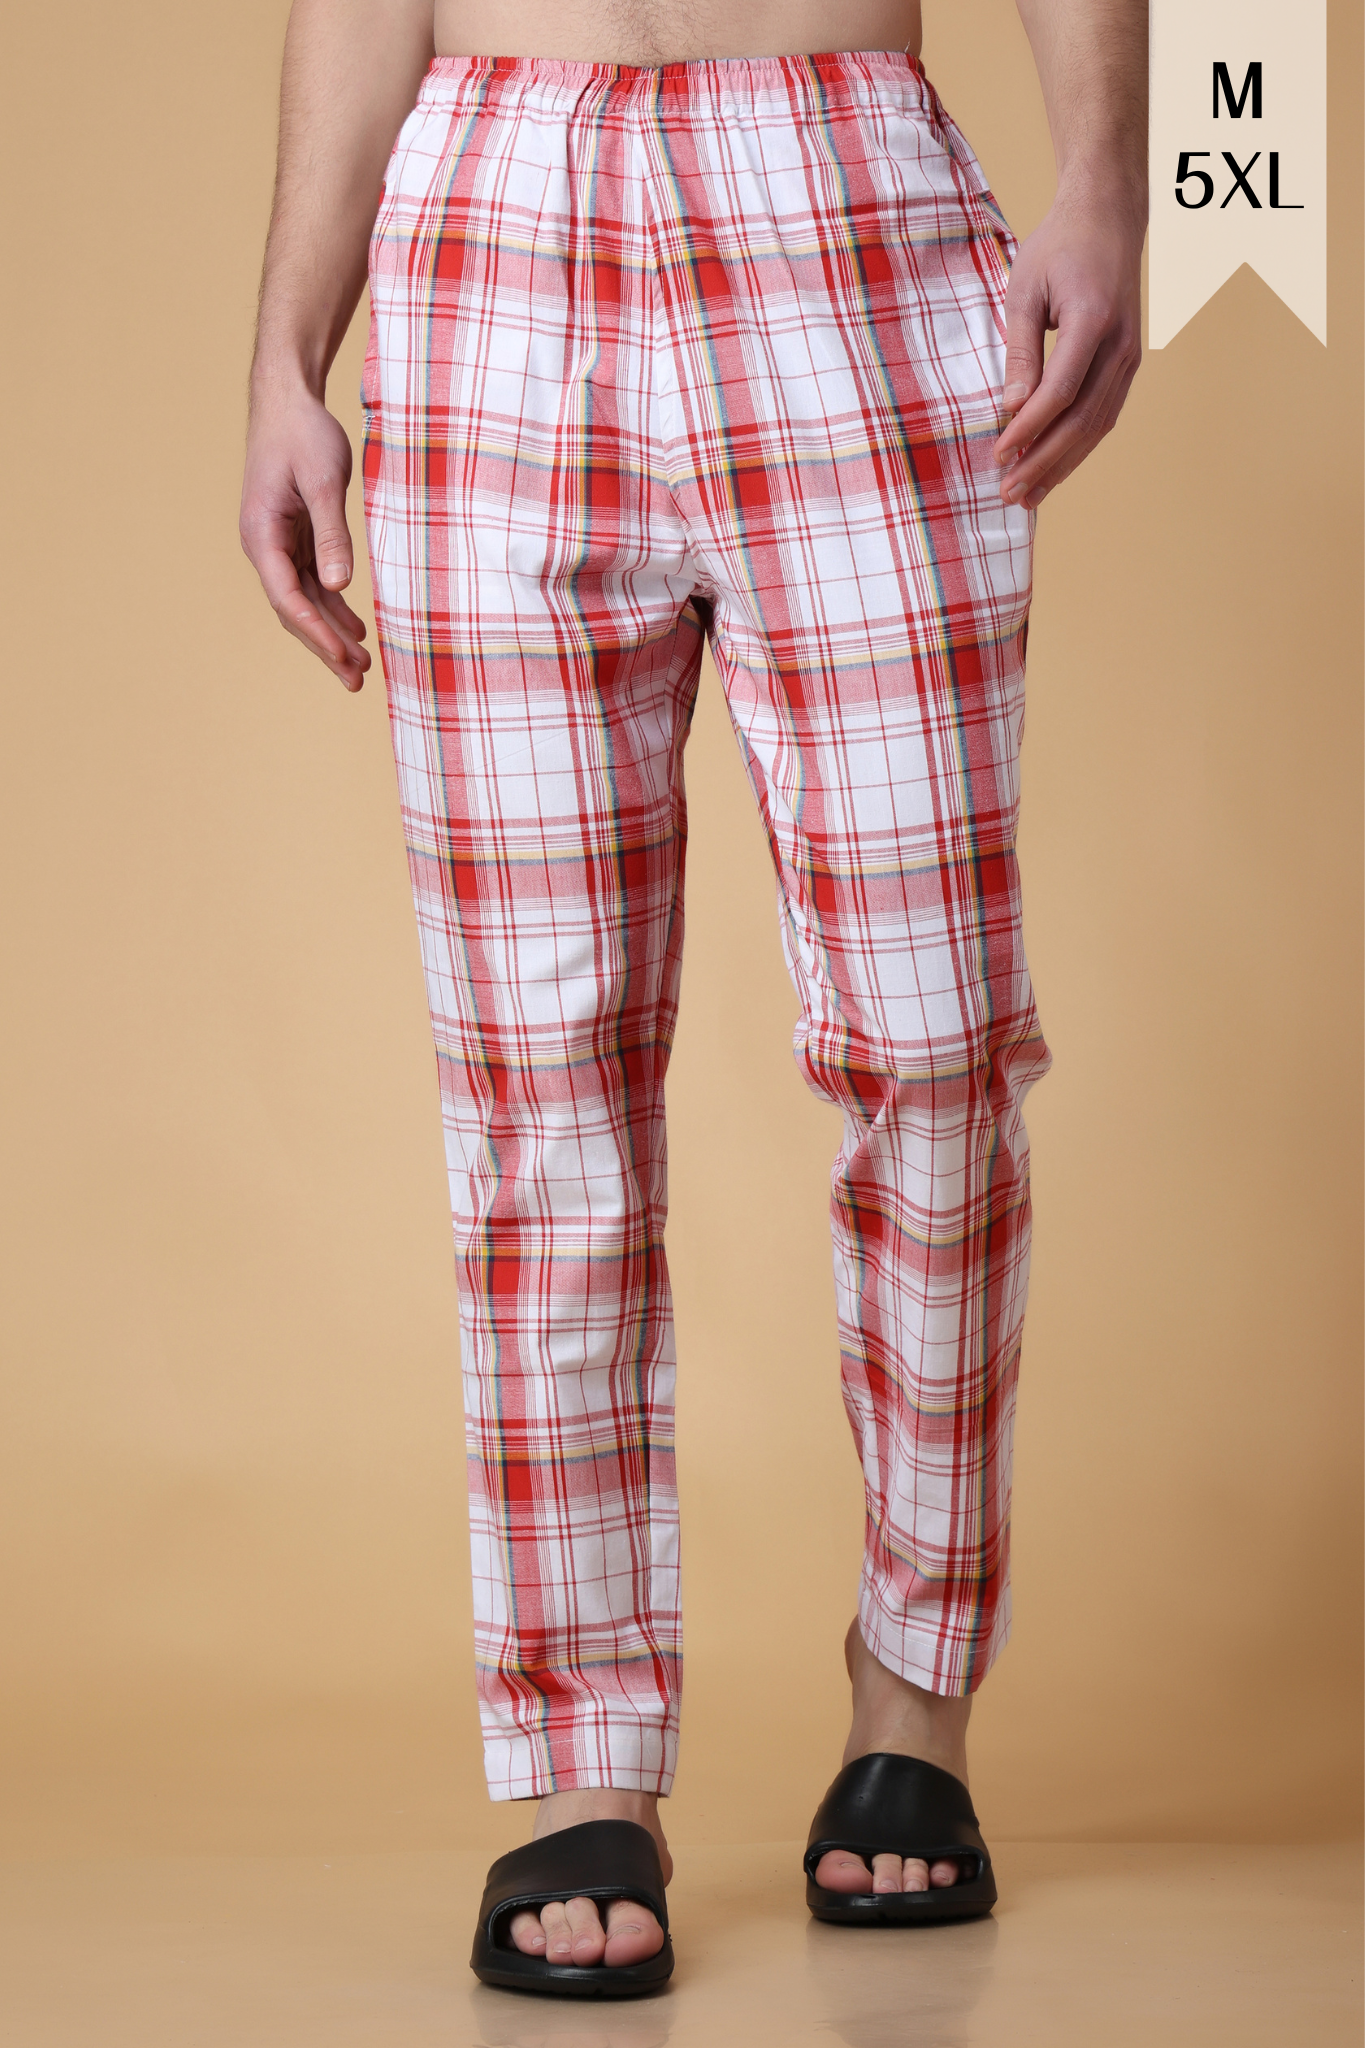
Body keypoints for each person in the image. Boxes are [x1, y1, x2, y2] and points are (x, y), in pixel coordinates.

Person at [240, 0, 1145, 1997]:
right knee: (535, 1073)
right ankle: (583, 1756)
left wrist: (1110, 184)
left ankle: (914, 1688)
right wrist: (287, 354)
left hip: (845, 193)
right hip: (491, 213)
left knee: (934, 1035)